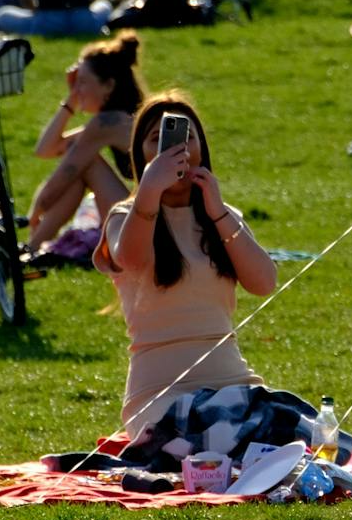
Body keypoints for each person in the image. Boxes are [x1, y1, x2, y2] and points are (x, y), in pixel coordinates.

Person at [96, 94, 277, 439]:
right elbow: (131, 259)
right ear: (142, 157)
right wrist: (150, 188)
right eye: (157, 139)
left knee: (303, 430)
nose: (177, 147)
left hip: (234, 385)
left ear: (201, 150)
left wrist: (219, 213)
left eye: (186, 137)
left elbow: (264, 282)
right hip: (160, 398)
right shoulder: (124, 217)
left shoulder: (222, 216)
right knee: (213, 433)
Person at [27, 32, 145, 244]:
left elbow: (57, 183)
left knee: (85, 165)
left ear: (109, 86)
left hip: (152, 225)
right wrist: (71, 100)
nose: (76, 89)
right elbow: (46, 149)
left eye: (81, 83)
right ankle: (31, 249)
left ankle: (30, 250)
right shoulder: (119, 120)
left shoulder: (107, 123)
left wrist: (34, 215)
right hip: (158, 218)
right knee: (83, 159)